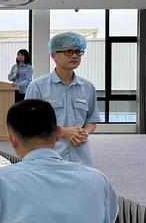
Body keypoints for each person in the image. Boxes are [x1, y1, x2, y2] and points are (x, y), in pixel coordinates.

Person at [25, 32, 100, 166]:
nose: (75, 56)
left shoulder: (88, 87)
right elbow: (30, 122)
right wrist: (64, 131)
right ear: (53, 55)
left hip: (81, 157)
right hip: (49, 158)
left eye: (78, 52)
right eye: (69, 51)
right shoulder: (37, 86)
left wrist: (84, 132)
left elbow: (92, 120)